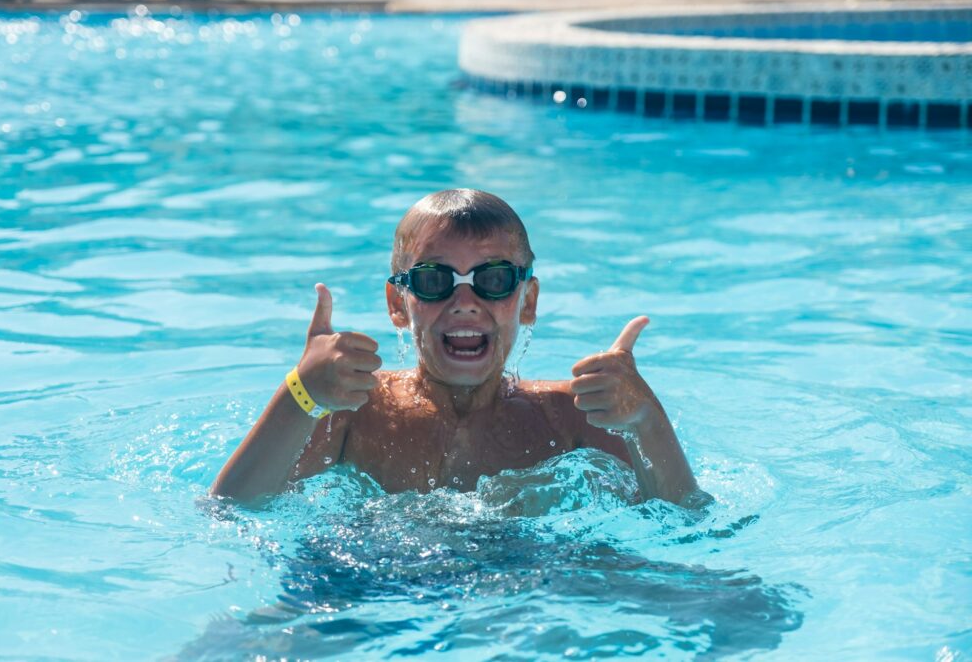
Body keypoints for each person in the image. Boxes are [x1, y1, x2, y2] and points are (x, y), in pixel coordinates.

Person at [211, 188, 701, 505]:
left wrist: (645, 418)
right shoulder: (350, 412)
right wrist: (302, 396)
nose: (464, 301)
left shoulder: (571, 418)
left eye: (493, 278)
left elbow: (685, 519)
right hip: (368, 588)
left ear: (527, 301)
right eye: (432, 279)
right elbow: (231, 508)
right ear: (397, 304)